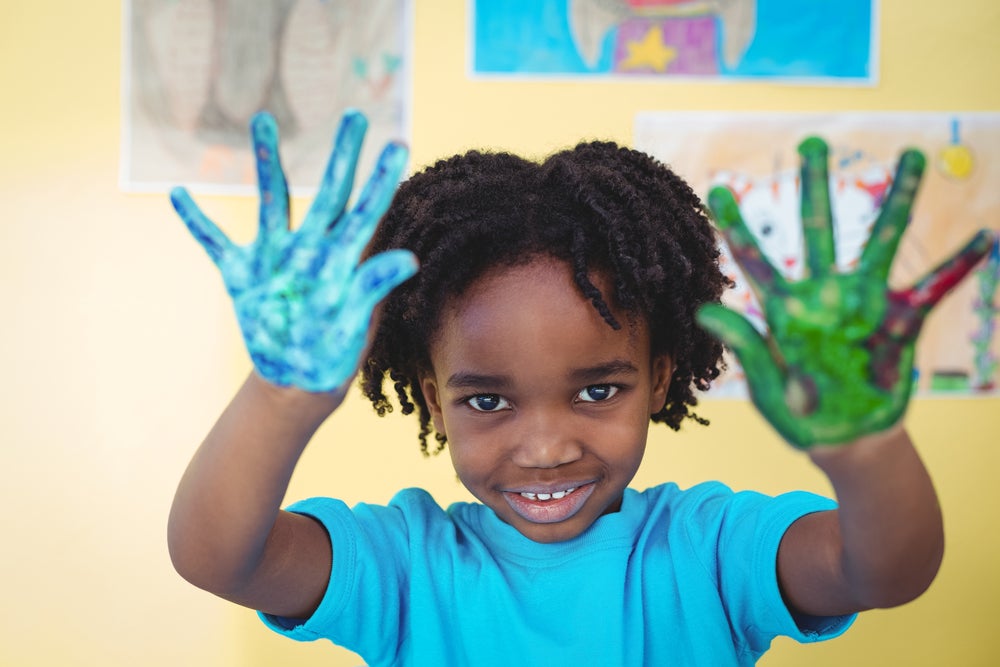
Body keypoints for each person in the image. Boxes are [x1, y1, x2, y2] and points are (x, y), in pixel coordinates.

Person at [167, 110, 994, 666]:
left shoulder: (706, 549)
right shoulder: (406, 565)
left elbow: (886, 571)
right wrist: (282, 399)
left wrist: (863, 445)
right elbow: (217, 558)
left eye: (597, 391)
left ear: (660, 378)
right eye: (488, 400)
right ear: (429, 397)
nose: (547, 445)